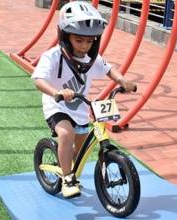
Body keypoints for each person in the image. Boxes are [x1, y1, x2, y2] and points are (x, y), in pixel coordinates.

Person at [32, 1, 136, 199]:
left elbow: (109, 69)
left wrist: (122, 80)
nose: (84, 46)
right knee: (65, 134)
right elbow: (38, 79)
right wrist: (56, 91)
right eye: (79, 41)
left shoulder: (91, 58)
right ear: (65, 36)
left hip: (79, 109)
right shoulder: (53, 56)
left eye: (90, 41)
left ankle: (68, 166)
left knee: (79, 152)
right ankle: (68, 178)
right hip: (57, 106)